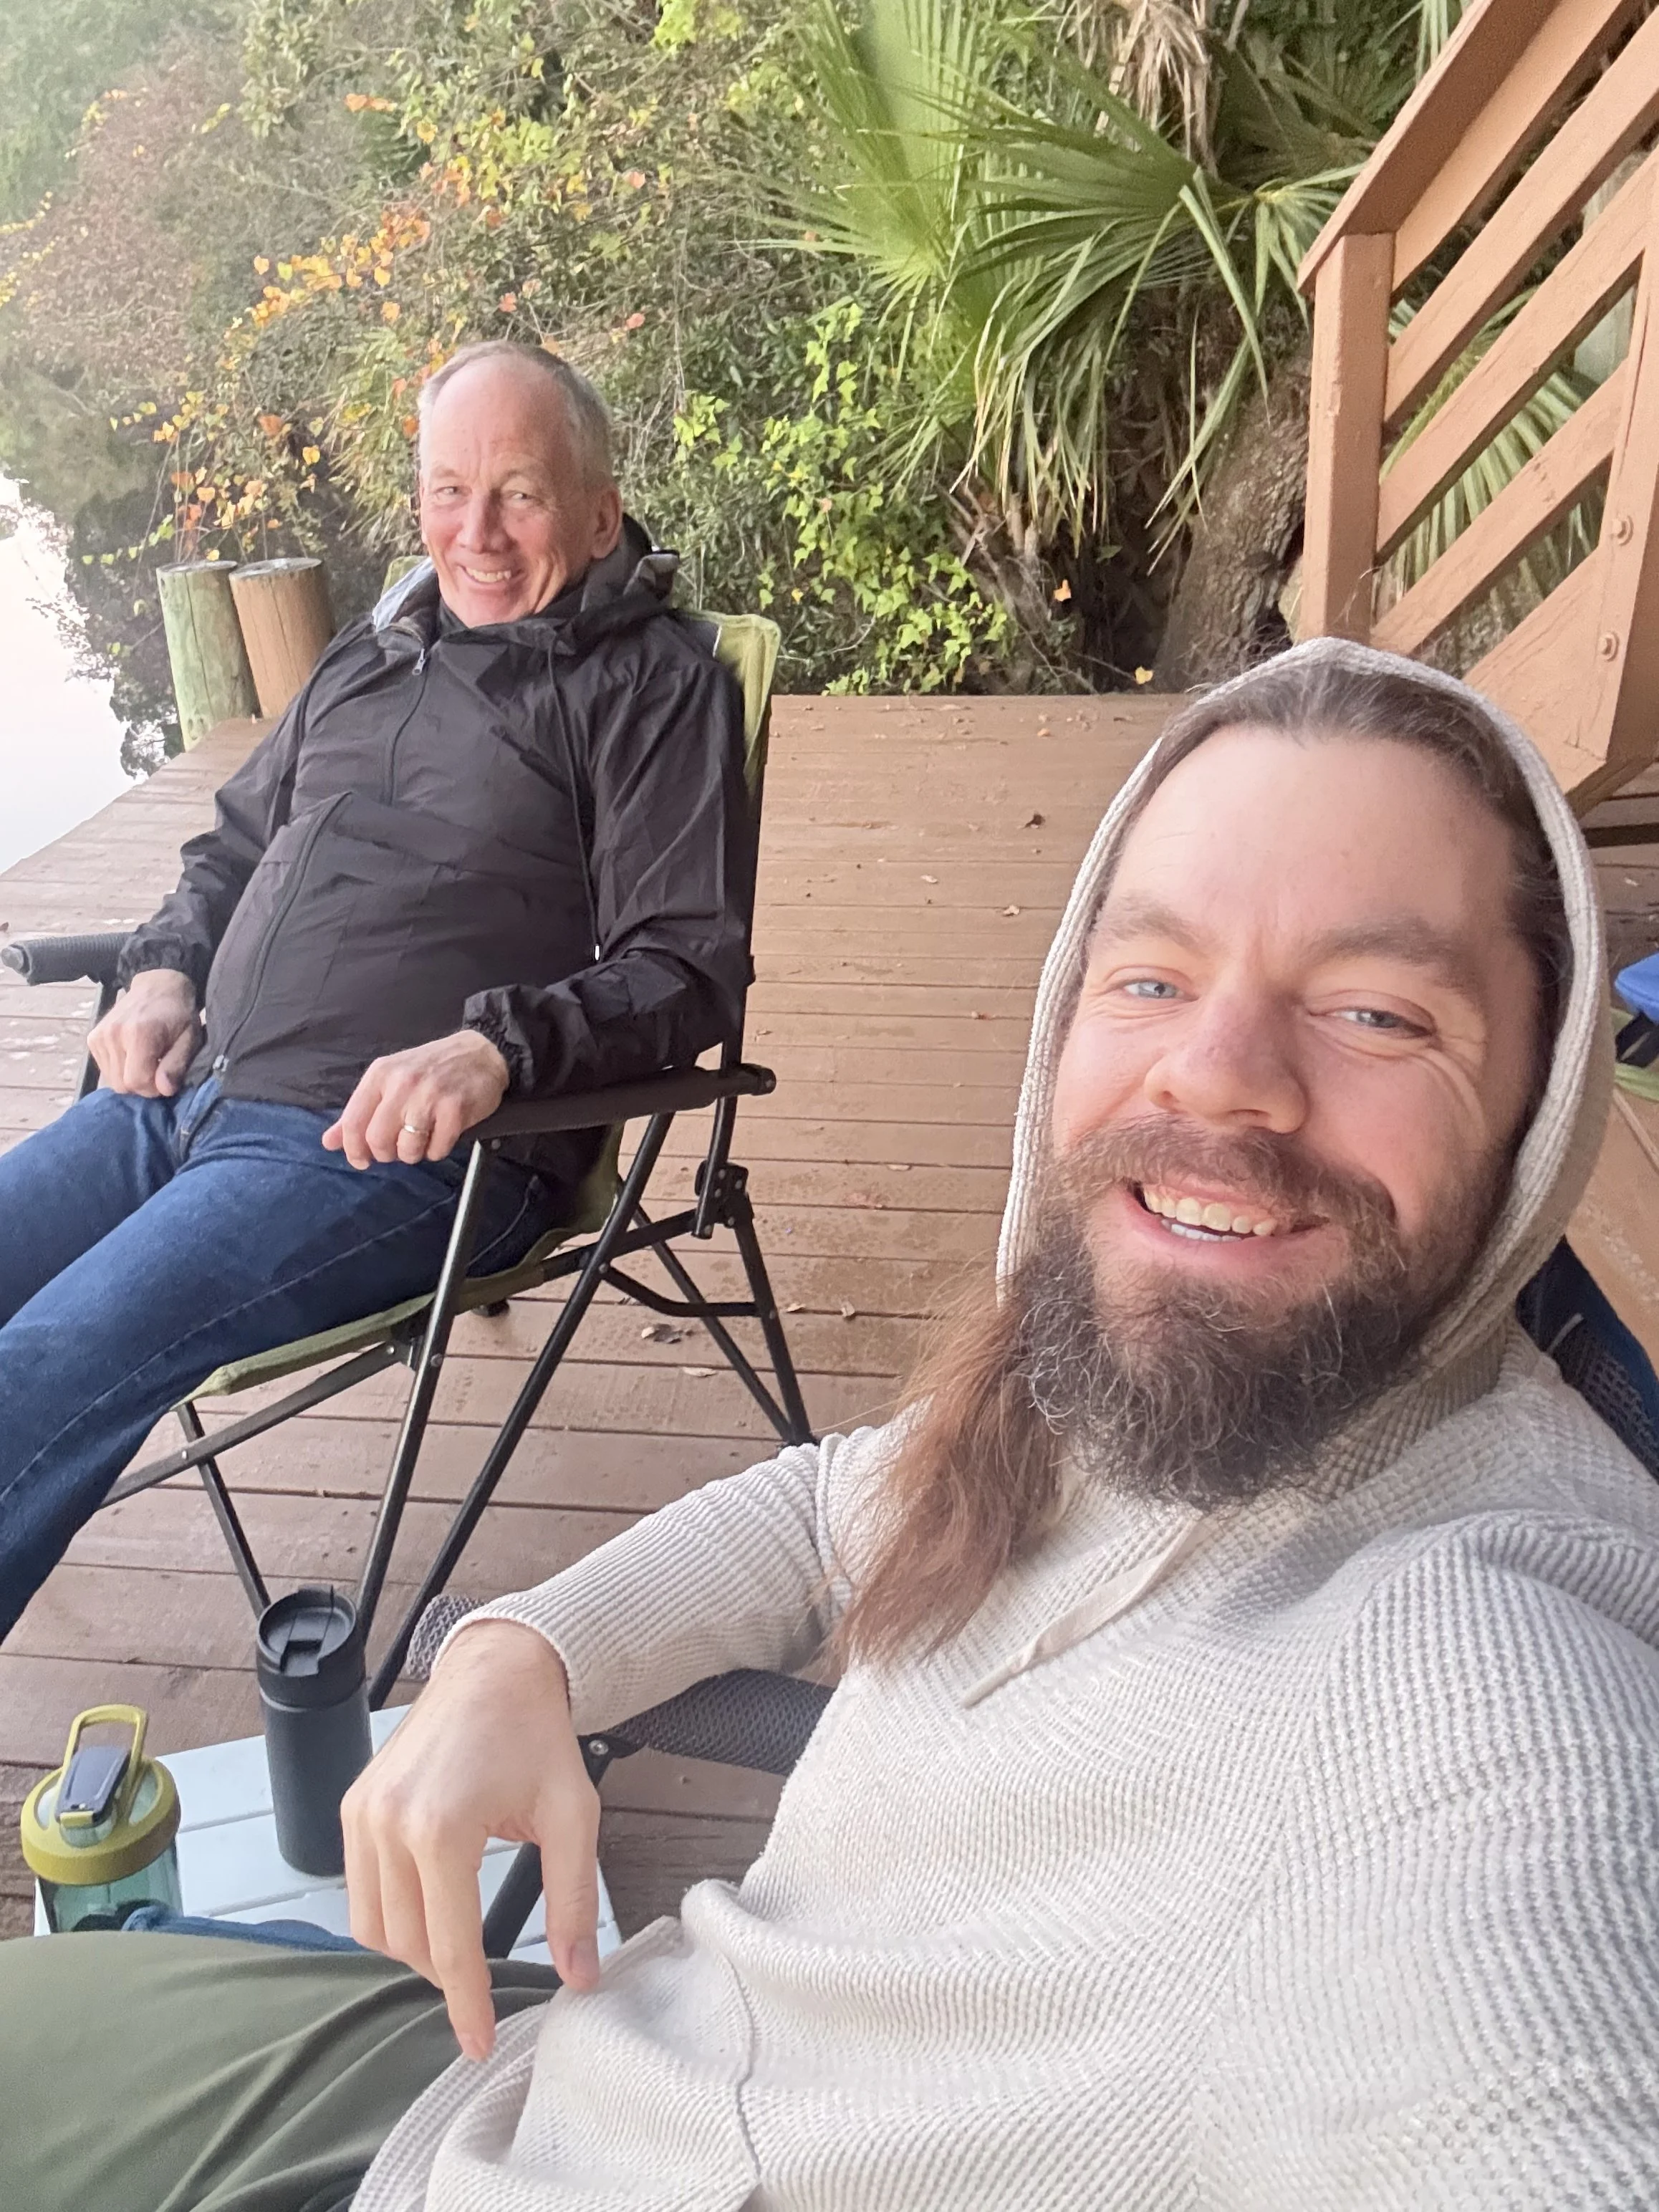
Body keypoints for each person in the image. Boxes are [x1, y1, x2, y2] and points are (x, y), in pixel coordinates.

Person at [5, 637, 1659, 2210]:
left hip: (374, 1159)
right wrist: (527, 1647)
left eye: (1379, 1010)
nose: (1219, 1073)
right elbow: (826, 1508)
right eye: (1150, 973)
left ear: (1539, 1103)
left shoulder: (1481, 1664)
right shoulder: (1122, 1387)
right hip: (544, 2063)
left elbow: (1541, 2053)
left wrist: (494, 1048)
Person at [0, 341, 753, 1643]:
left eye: (519, 493)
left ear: (597, 511)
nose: (479, 533)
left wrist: (495, 1051)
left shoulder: (650, 685)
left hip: (372, 1144)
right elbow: (232, 849)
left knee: (34, 1378)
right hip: (175, 1097)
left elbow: (684, 968)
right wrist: (166, 967)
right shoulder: (368, 653)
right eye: (448, 491)